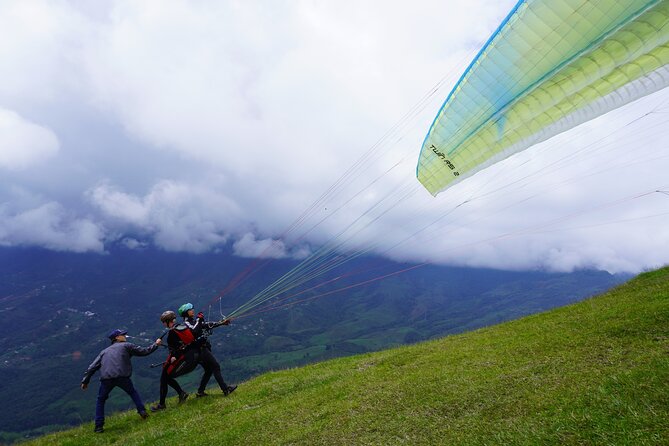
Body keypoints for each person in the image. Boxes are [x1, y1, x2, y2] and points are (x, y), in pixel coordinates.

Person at [81, 329, 162, 433]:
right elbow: (144, 351)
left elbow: (92, 367)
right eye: (122, 334)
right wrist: (156, 344)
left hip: (106, 379)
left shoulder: (104, 352)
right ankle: (142, 412)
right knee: (132, 392)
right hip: (122, 376)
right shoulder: (127, 345)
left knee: (101, 400)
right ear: (117, 338)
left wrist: (85, 381)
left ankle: (98, 426)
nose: (125, 336)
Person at [178, 302, 237, 397]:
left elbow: (206, 324)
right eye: (190, 310)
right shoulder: (186, 324)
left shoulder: (193, 321)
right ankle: (226, 389)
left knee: (209, 370)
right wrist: (199, 320)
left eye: (192, 309)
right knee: (216, 366)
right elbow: (194, 330)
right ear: (186, 313)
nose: (192, 310)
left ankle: (200, 392)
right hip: (200, 350)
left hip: (202, 349)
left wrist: (221, 323)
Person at [150, 310, 195, 412]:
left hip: (178, 357)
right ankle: (181, 393)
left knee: (164, 378)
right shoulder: (179, 327)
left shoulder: (171, 332)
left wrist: (173, 357)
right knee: (166, 378)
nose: (163, 324)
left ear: (167, 321)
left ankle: (162, 404)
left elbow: (174, 347)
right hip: (186, 355)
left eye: (163, 322)